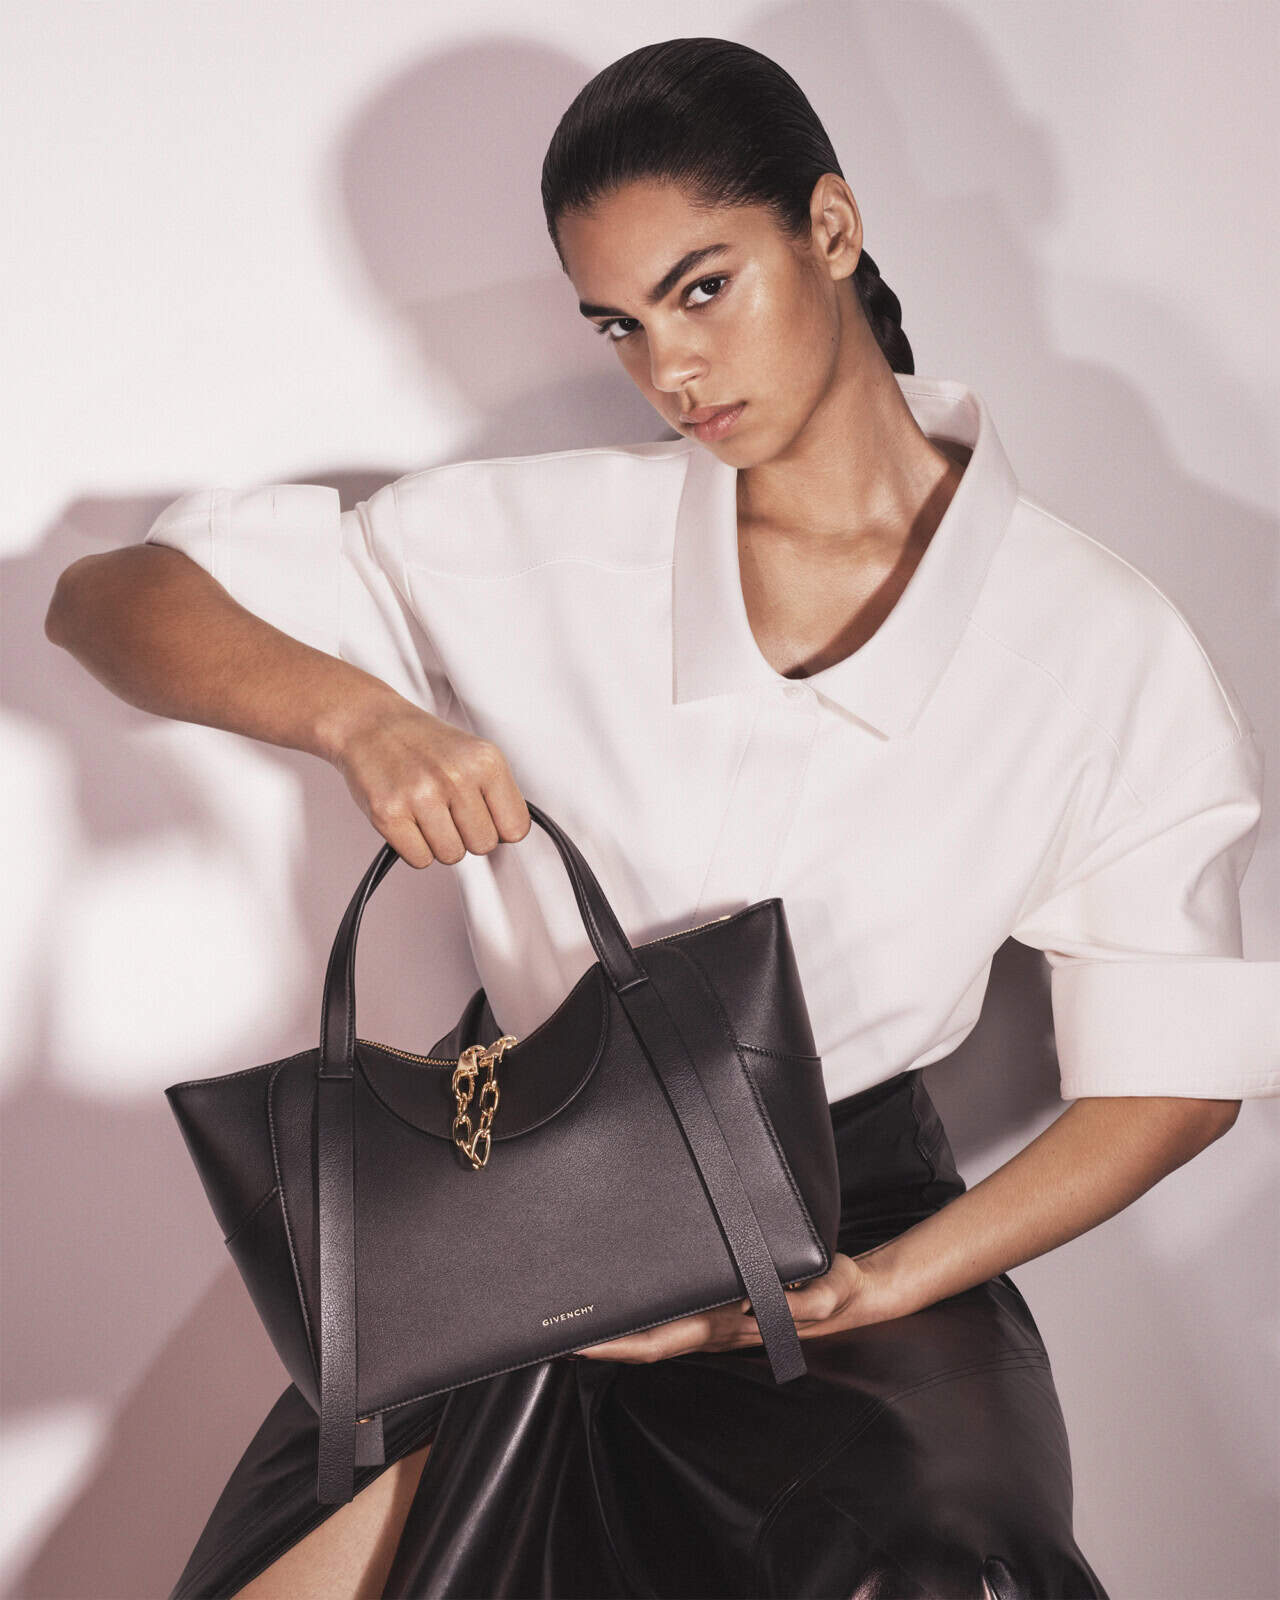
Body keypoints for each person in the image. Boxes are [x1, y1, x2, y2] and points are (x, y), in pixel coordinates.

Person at [45, 35, 1277, 1600]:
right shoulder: (542, 537)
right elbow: (111, 600)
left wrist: (880, 1281)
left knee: (946, 1571)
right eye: (621, 324)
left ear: (831, 227)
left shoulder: (1096, 645)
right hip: (510, 1201)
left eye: (704, 290)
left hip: (843, 1227)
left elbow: (1175, 1079)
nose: (672, 370)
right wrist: (358, 719)